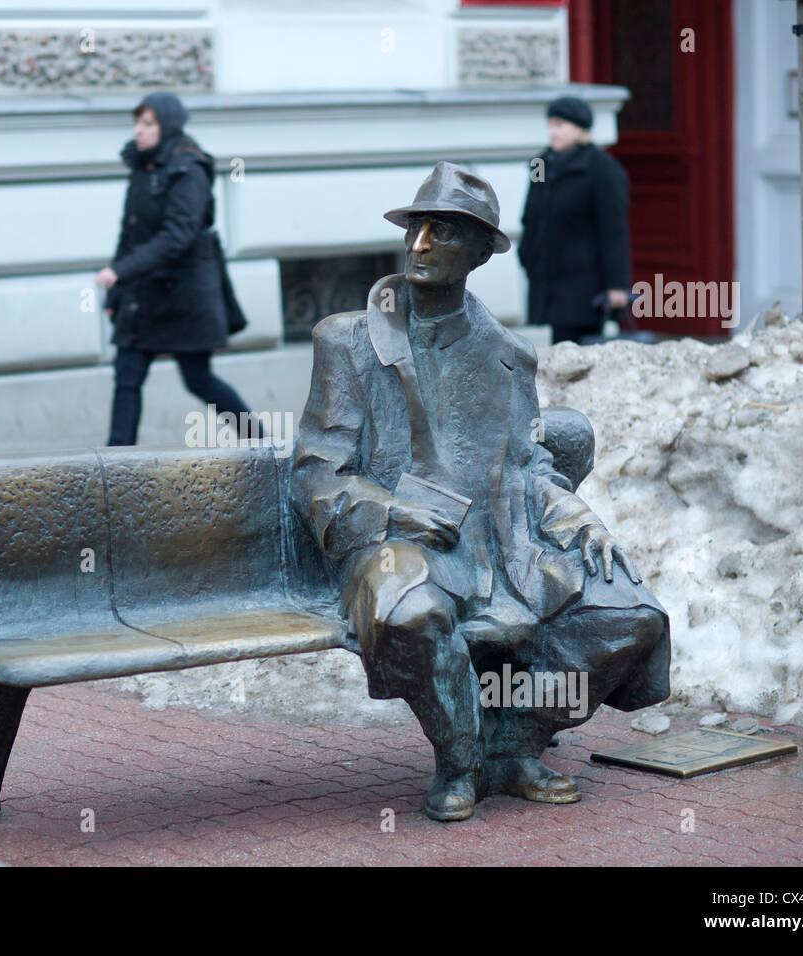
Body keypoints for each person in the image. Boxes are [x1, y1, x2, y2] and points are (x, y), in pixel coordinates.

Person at [291, 163, 670, 822]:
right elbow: (317, 471)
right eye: (415, 229)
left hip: (500, 547)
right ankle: (460, 758)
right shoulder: (349, 341)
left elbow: (528, 464)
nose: (418, 246)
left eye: (440, 233)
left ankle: (517, 745)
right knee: (411, 615)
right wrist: (390, 509)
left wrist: (579, 518)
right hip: (393, 542)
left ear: (478, 252)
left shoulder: (509, 356)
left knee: (630, 618)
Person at [95, 91, 256, 446]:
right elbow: (131, 232)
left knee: (198, 378)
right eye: (137, 122)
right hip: (143, 293)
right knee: (127, 375)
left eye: (148, 124)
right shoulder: (143, 164)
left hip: (185, 293)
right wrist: (117, 292)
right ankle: (113, 465)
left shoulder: (189, 168)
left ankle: (263, 442)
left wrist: (122, 271)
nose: (139, 131)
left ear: (167, 125)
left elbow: (177, 236)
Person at [518, 95, 633, 344]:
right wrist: (527, 256)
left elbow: (613, 230)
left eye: (560, 125)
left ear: (580, 129)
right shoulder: (540, 164)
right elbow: (531, 215)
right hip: (548, 279)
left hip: (584, 283)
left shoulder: (603, 168)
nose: (553, 132)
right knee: (559, 347)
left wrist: (617, 285)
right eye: (550, 125)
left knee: (580, 353)